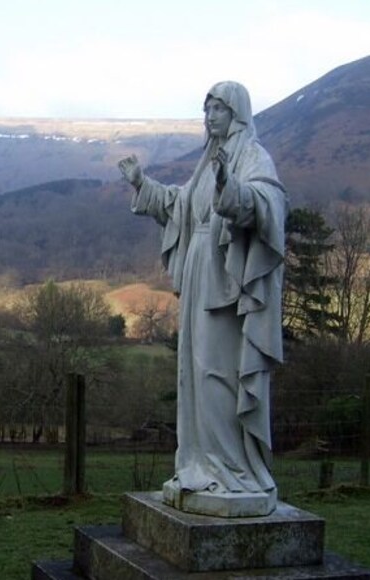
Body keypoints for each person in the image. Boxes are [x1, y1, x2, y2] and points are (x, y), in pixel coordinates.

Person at [118, 81, 286, 516]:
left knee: (218, 372)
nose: (209, 117)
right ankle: (197, 464)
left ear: (237, 113)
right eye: (206, 108)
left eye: (218, 109)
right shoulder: (208, 161)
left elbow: (267, 204)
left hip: (227, 279)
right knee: (193, 372)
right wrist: (144, 185)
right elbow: (182, 208)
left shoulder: (251, 156)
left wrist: (233, 191)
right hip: (199, 273)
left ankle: (232, 470)